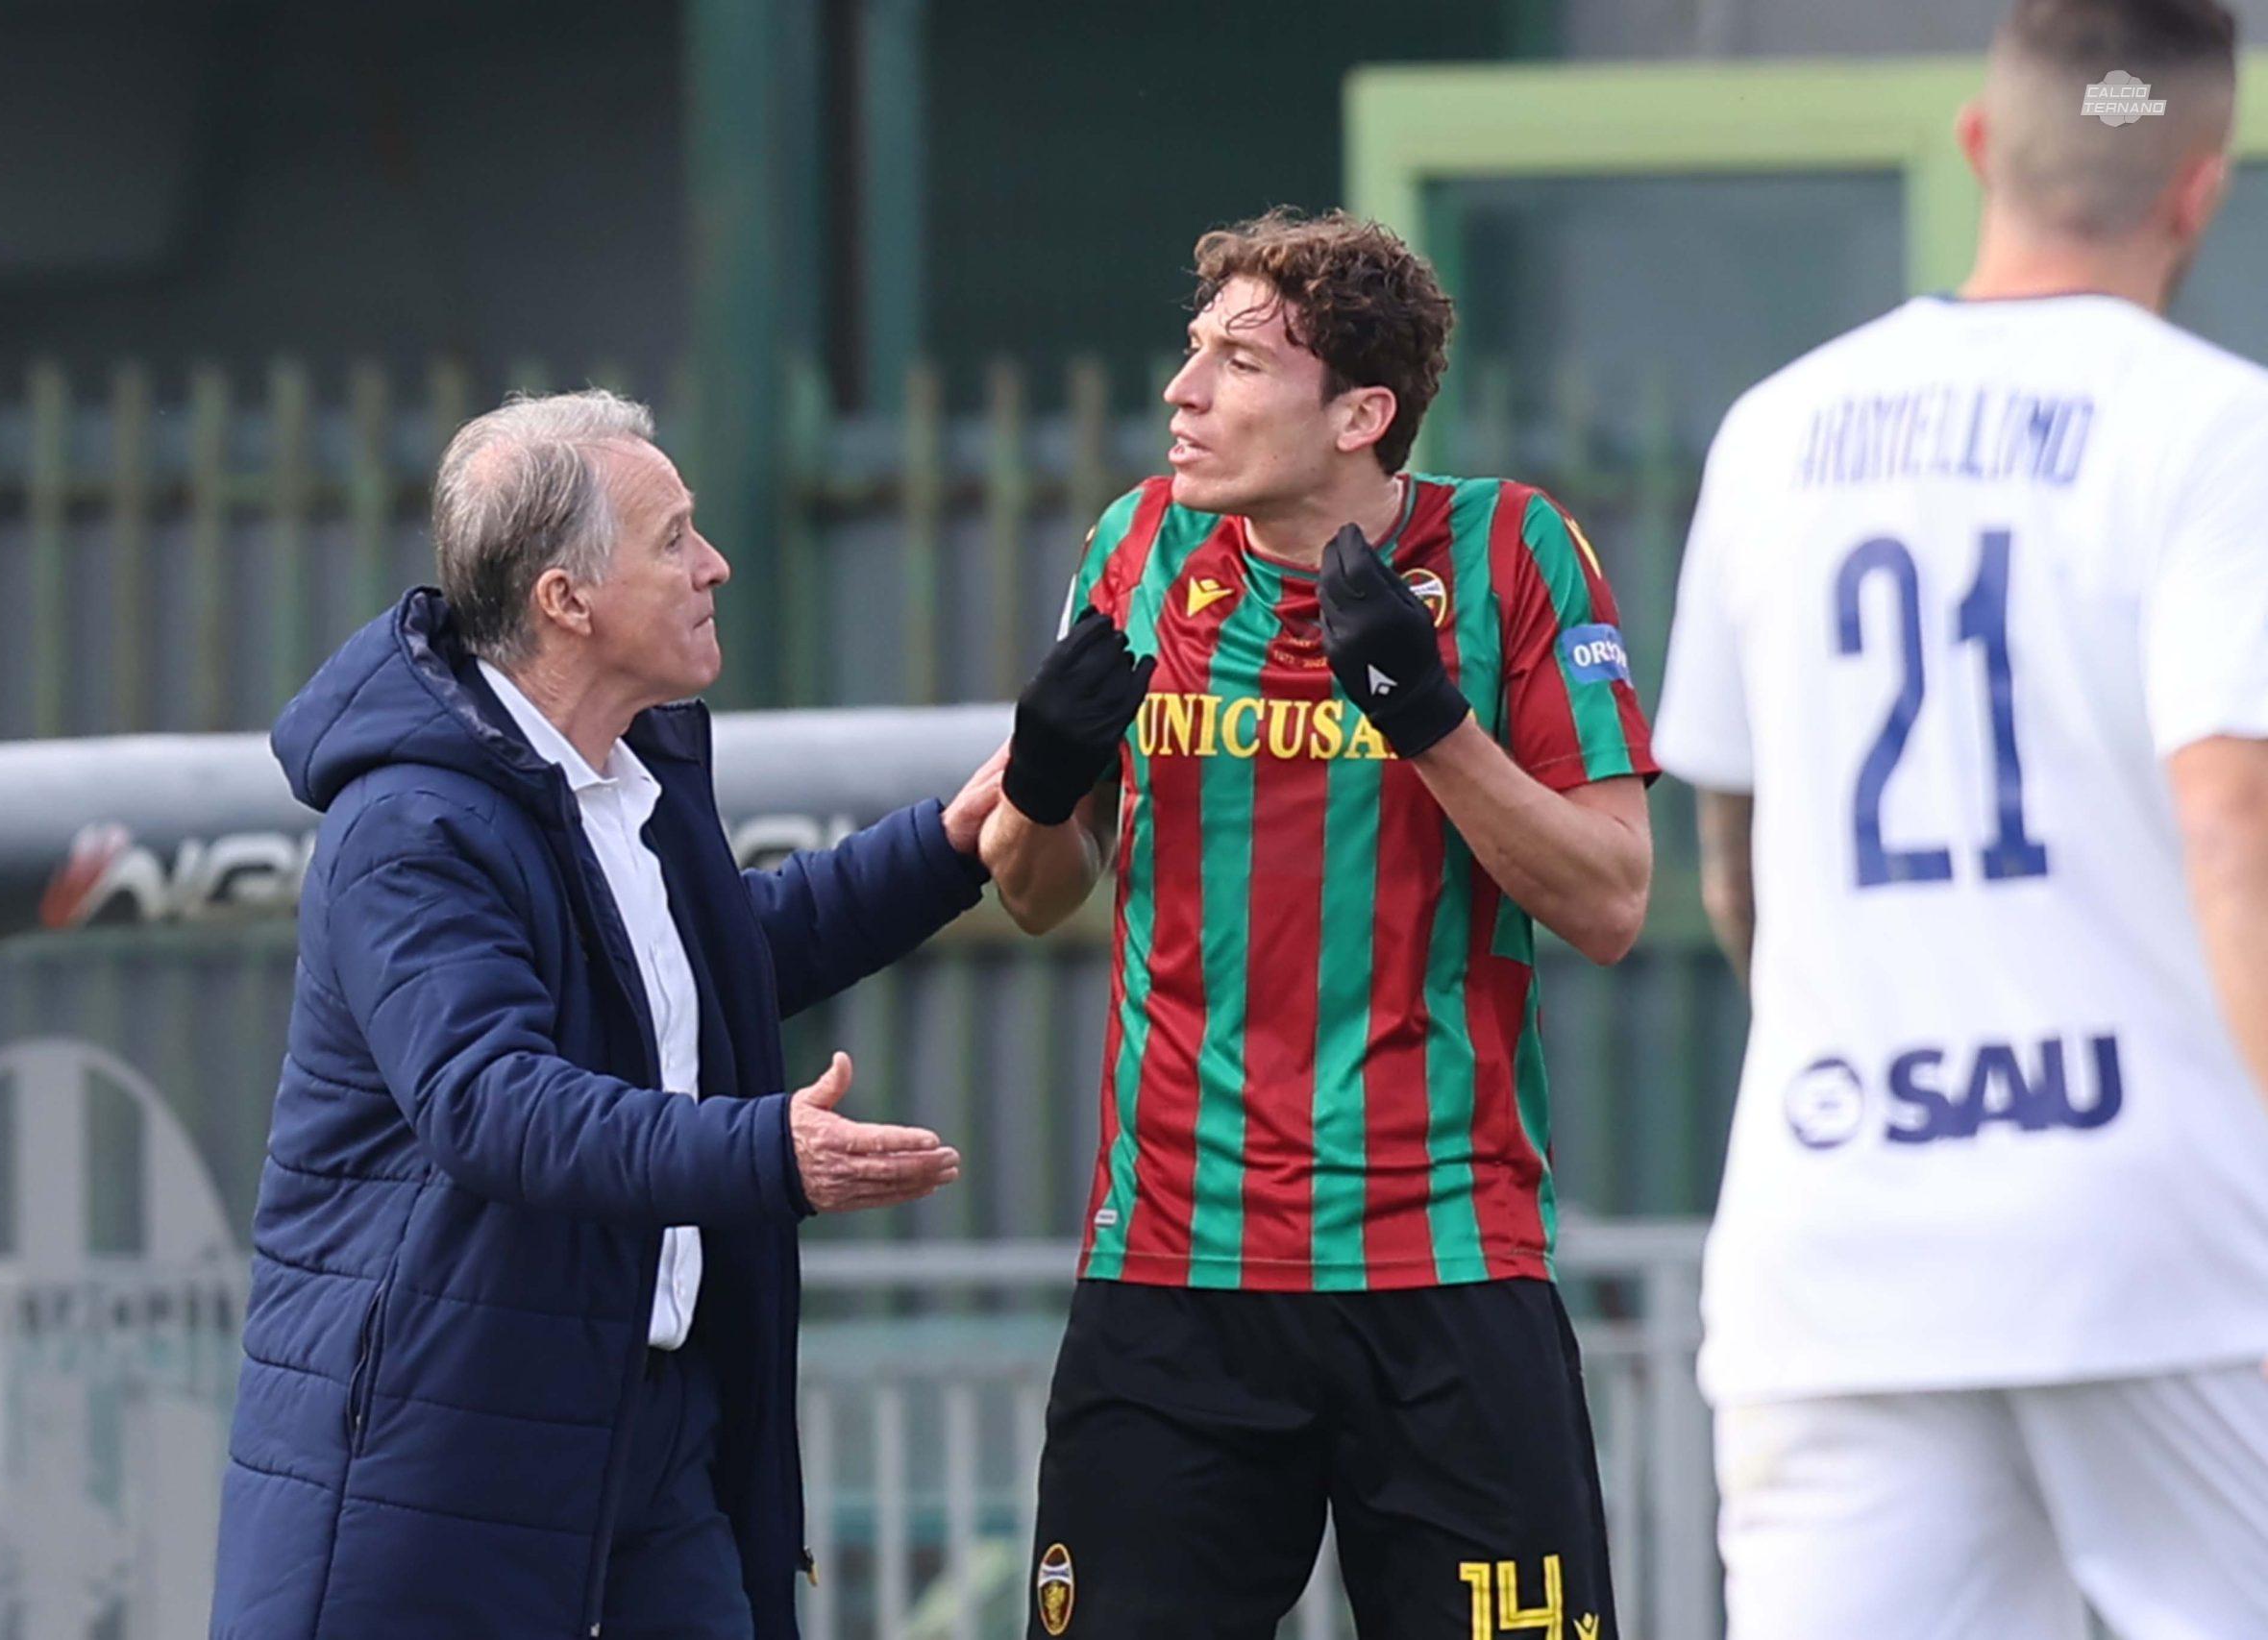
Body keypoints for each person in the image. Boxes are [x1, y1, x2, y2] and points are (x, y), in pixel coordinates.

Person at [1652, 2, 2268, 1634]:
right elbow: (2236, 837)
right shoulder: (2217, 428)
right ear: (2198, 190)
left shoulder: (1775, 432)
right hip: (2159, 1239)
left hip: (1844, 1236)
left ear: (1983, 143)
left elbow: (1735, 865)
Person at [210, 389, 1005, 1640]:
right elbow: (487, 1103)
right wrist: (764, 1153)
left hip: (653, 1432)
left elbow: (726, 961)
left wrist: (952, 846)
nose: (715, 565)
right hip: (440, 1447)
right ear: (565, 602)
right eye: (676, 537)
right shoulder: (409, 825)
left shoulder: (631, 773)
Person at [984, 208, 1660, 1640]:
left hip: (1446, 1267)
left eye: (1236, 364)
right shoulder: (1136, 546)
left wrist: (1430, 723)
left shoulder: (1514, 551)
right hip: (1172, 1275)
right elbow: (1040, 894)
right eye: (1192, 353)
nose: (1182, 392)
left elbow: (1611, 898)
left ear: (1362, 413)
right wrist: (1038, 786)